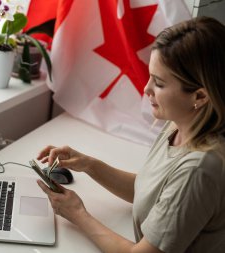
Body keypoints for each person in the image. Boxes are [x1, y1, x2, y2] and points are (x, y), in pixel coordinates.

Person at [36, 16, 225, 253]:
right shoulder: (182, 122)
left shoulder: (199, 169)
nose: (146, 89)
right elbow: (151, 191)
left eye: (159, 83)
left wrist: (77, 214)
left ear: (199, 97)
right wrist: (89, 165)